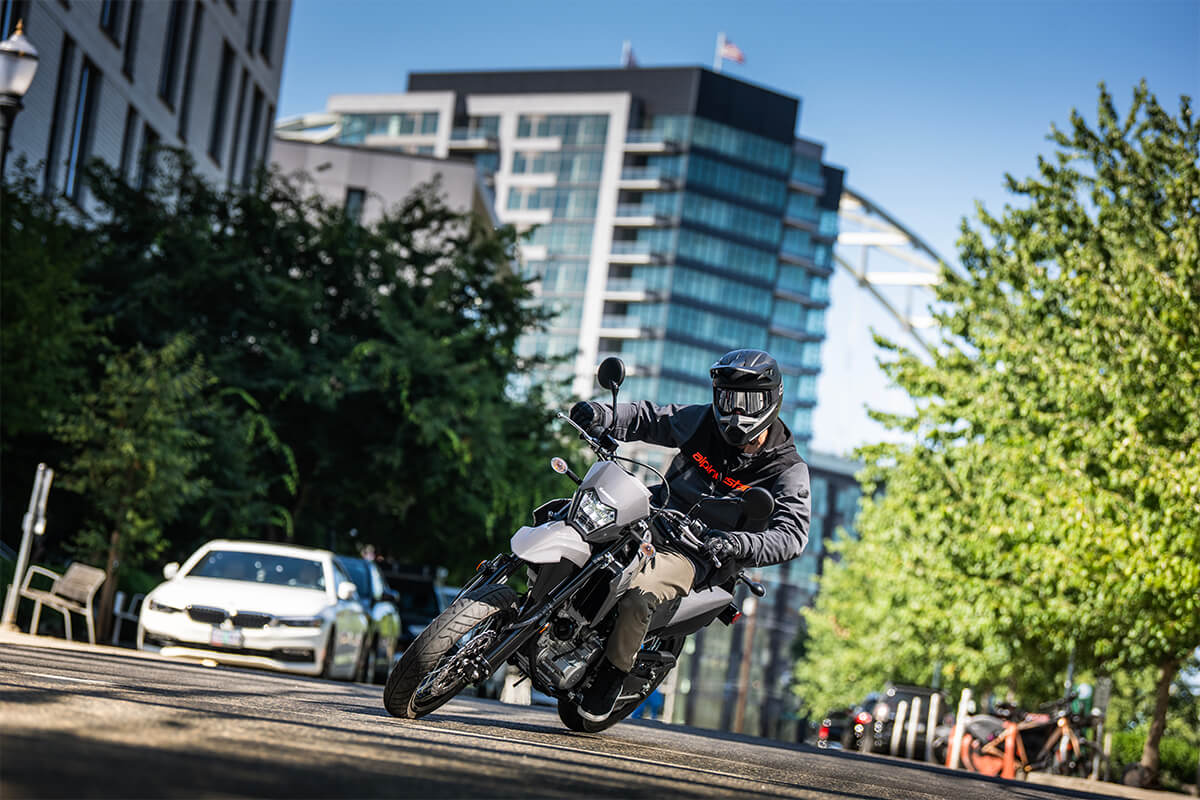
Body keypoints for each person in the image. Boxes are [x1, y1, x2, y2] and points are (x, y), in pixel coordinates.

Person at [568, 348, 812, 722]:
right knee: (568, 514)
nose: (736, 411)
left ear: (772, 399)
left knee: (638, 597)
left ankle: (611, 676)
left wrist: (737, 542)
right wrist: (603, 414)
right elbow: (650, 419)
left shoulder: (787, 469)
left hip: (697, 552)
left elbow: (792, 535)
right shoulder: (702, 422)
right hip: (652, 513)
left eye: (748, 401)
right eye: (728, 398)